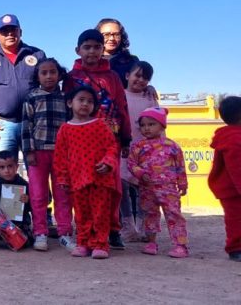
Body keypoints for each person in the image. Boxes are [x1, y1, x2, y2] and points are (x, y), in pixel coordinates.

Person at [63, 29, 131, 250]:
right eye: (87, 47)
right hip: (80, 141)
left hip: (108, 140)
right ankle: (86, 232)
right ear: (78, 50)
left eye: (96, 47)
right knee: (82, 188)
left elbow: (122, 107)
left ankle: (112, 230)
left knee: (111, 188)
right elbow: (67, 108)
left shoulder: (112, 77)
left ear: (103, 50)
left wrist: (126, 138)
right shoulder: (71, 78)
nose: (92, 51)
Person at [54, 86, 119, 259]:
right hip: (77, 180)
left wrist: (108, 163)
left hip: (101, 179)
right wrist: (62, 178)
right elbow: (60, 156)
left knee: (100, 213)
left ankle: (100, 245)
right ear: (70, 103)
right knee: (81, 214)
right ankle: (83, 243)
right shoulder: (65, 129)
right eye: (81, 100)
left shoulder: (100, 125)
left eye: (90, 101)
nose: (85, 104)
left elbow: (112, 147)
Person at [20, 58, 74, 251]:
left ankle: (65, 232)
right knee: (38, 194)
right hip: (38, 152)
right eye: (44, 73)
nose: (49, 76)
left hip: (61, 154)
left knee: (63, 194)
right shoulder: (31, 97)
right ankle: (40, 233)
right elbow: (26, 126)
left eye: (52, 72)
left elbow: (72, 126)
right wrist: (28, 151)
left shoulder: (66, 98)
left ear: (59, 74)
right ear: (38, 76)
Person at [0, 14, 46, 155]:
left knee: (35, 166)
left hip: (33, 123)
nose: (9, 34)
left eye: (13, 30)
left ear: (20, 31)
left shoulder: (37, 55)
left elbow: (48, 86)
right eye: (4, 31)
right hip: (2, 125)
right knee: (5, 166)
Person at [127, 107, 189, 258]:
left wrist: (182, 183)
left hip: (168, 188)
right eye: (143, 125)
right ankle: (151, 243)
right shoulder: (138, 146)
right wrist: (140, 173)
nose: (146, 128)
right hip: (147, 189)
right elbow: (131, 163)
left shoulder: (172, 146)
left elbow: (180, 166)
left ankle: (180, 245)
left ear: (162, 126)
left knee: (174, 214)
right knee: (149, 214)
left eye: (151, 124)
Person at [119, 61, 159, 242]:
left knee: (145, 190)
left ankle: (143, 227)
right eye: (138, 75)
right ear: (127, 75)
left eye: (146, 78)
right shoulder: (119, 96)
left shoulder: (150, 99)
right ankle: (128, 227)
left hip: (146, 152)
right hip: (124, 150)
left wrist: (159, 148)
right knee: (121, 187)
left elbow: (159, 125)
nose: (141, 80)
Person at [209, 96, 241, 262]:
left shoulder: (231, 135)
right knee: (236, 220)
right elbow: (237, 167)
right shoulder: (234, 138)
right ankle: (235, 249)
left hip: (231, 188)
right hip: (232, 189)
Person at [0, 151, 32, 247]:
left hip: (19, 222)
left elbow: (31, 207)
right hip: (0, 221)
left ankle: (20, 237)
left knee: (26, 239)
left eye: (10, 166)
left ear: (16, 167)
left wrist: (27, 200)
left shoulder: (23, 183)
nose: (7, 170)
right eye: (2, 167)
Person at [95, 18, 139, 85]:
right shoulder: (90, 60)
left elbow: (140, 82)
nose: (112, 38)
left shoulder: (132, 60)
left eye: (116, 34)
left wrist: (149, 88)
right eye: (106, 35)